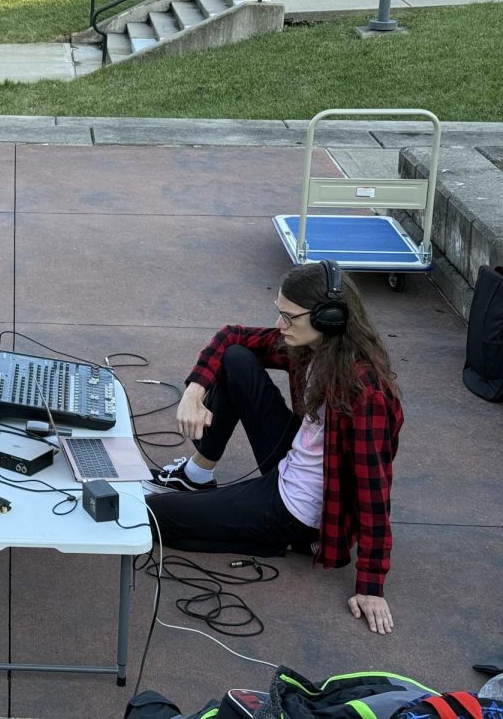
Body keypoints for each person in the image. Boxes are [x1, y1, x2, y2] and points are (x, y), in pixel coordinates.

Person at [145, 260, 403, 634]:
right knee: (236, 360)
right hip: (289, 456)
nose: (280, 325)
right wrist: (194, 390)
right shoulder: (312, 346)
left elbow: (374, 490)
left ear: (328, 318)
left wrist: (371, 586)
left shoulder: (363, 392)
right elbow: (231, 336)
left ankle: (277, 536)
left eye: (289, 317)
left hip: (295, 506)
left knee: (154, 514)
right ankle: (197, 475)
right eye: (278, 314)